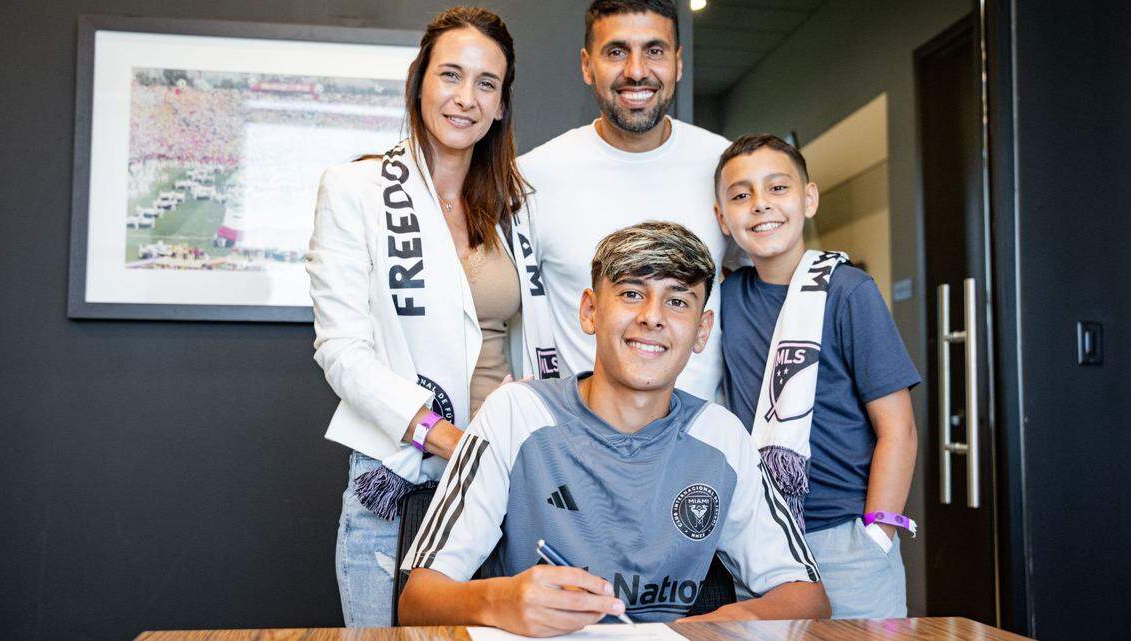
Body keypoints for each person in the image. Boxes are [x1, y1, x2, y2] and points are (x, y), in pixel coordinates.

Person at [398, 222, 830, 636]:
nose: (652, 317)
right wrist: (497, 601)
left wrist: (714, 626)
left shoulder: (721, 434)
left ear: (701, 332)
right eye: (631, 293)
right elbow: (416, 601)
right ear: (590, 311)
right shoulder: (516, 413)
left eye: (677, 301)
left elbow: (807, 598)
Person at [306, 7, 557, 627]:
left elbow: (533, 338)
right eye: (451, 75)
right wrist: (443, 437)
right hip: (398, 480)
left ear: (502, 104)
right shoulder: (354, 189)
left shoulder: (516, 208)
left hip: (502, 480)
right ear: (419, 83)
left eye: (486, 83)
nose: (465, 98)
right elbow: (339, 348)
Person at [713, 134, 921, 618]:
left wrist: (877, 533)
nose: (760, 205)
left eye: (777, 188)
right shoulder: (726, 300)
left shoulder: (850, 292)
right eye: (741, 195)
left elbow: (899, 430)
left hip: (846, 538)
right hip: (763, 540)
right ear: (723, 218)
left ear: (808, 199)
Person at [518, 0, 732, 400]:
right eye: (616, 52)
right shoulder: (532, 177)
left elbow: (765, 291)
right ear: (587, 65)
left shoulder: (725, 168)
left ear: (678, 63)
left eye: (654, 51)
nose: (636, 71)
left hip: (701, 443)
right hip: (575, 445)